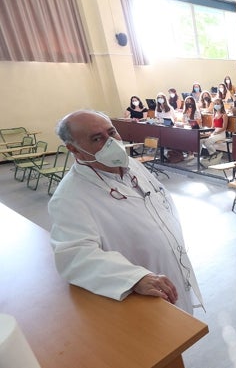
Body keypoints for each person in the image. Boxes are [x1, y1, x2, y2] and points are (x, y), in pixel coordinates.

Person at [49, 110, 204, 314]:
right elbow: (75, 257)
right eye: (97, 138)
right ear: (73, 149)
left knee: (184, 323)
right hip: (140, 291)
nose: (111, 142)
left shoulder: (131, 165)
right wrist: (133, 278)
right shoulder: (70, 197)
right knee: (160, 336)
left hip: (172, 268)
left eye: (111, 132)